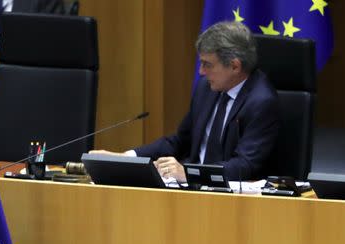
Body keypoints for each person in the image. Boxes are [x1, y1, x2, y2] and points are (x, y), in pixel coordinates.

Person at [93, 21, 280, 182]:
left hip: (234, 198)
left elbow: (244, 165)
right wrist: (126, 158)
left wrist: (189, 173)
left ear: (234, 66)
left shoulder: (261, 101)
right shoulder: (206, 89)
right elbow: (180, 141)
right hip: (191, 187)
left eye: (208, 64)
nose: (201, 72)